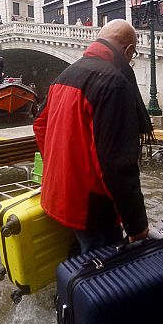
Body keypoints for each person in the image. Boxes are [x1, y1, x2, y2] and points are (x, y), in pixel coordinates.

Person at [33, 19, 151, 253]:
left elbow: (40, 125)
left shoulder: (65, 74)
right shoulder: (114, 82)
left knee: (77, 265)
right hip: (91, 209)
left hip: (56, 196)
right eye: (133, 54)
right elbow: (117, 164)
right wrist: (137, 224)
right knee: (103, 279)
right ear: (128, 50)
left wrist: (63, 169)